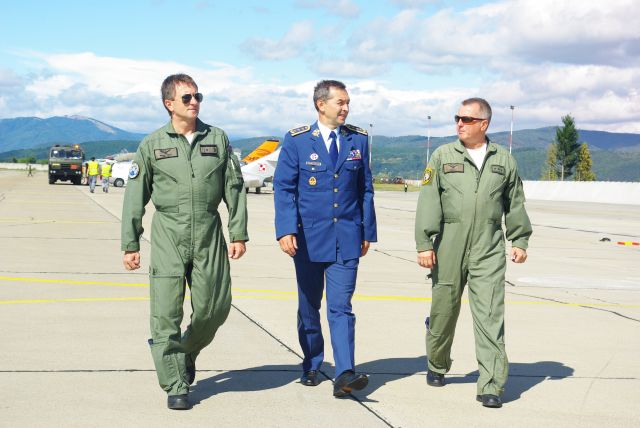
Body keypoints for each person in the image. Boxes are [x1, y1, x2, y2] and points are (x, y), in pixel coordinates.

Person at [121, 73, 248, 410]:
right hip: (168, 233)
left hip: (208, 231)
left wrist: (238, 232)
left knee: (215, 308)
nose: (195, 102)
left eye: (198, 96)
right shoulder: (151, 144)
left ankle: (186, 351)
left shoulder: (217, 138)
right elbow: (135, 196)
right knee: (165, 313)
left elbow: (234, 187)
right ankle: (175, 383)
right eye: (187, 98)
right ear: (169, 104)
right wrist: (131, 243)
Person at [415, 98, 532, 409]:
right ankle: (437, 364)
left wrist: (519, 240)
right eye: (457, 118)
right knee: (443, 312)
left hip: (488, 247)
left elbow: (515, 203)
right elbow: (428, 200)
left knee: (490, 315)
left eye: (466, 119)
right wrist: (424, 243)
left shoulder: (504, 160)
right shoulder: (442, 156)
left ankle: (491, 384)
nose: (459, 124)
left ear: (484, 124)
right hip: (448, 245)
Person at [274, 80, 377, 398]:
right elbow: (284, 188)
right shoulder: (297, 140)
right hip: (307, 239)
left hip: (346, 237)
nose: (346, 108)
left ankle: (345, 373)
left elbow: (365, 188)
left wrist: (367, 231)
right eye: (340, 102)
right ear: (321, 104)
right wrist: (286, 229)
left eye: (348, 103)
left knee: (341, 307)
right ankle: (312, 363)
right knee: (308, 306)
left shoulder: (358, 139)